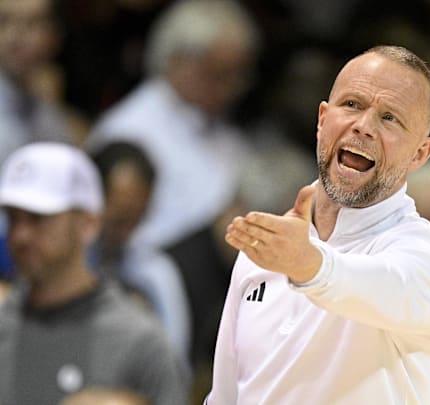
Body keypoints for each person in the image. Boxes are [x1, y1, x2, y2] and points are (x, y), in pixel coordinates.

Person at [205, 45, 430, 404]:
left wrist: (307, 264)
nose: (364, 126)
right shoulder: (269, 247)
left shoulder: (429, 258)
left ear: (420, 153)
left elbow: (373, 283)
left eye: (390, 118)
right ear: (322, 119)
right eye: (352, 105)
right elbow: (224, 396)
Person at [0, 142, 189, 405]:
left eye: (37, 217)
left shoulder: (139, 341)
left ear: (88, 224)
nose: (20, 235)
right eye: (13, 217)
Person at [85, 0, 260, 249]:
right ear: (180, 63)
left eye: (241, 76)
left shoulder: (223, 129)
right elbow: (118, 235)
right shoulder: (128, 130)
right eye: (219, 76)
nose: (232, 90)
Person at [91, 141, 191, 358]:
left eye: (136, 220)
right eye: (119, 220)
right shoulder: (60, 257)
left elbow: (175, 359)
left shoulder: (157, 273)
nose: (126, 233)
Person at [0, 0, 75, 163]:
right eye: (4, 21)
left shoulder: (52, 116)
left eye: (31, 23)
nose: (14, 36)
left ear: (54, 36)